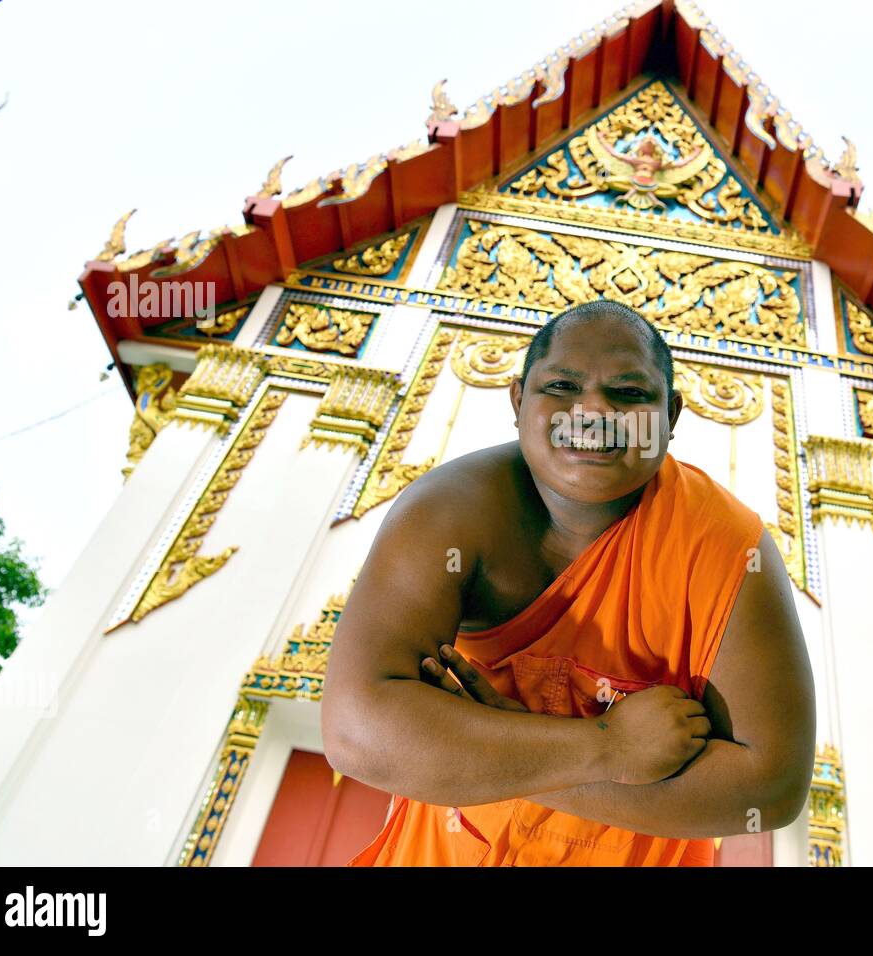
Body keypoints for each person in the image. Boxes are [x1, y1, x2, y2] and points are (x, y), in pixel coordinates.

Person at [323, 299, 816, 866]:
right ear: (517, 401)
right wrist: (608, 749)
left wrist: (494, 742)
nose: (593, 412)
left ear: (671, 417)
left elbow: (769, 790)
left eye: (630, 394)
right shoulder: (452, 512)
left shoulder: (727, 546)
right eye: (561, 386)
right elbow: (358, 734)